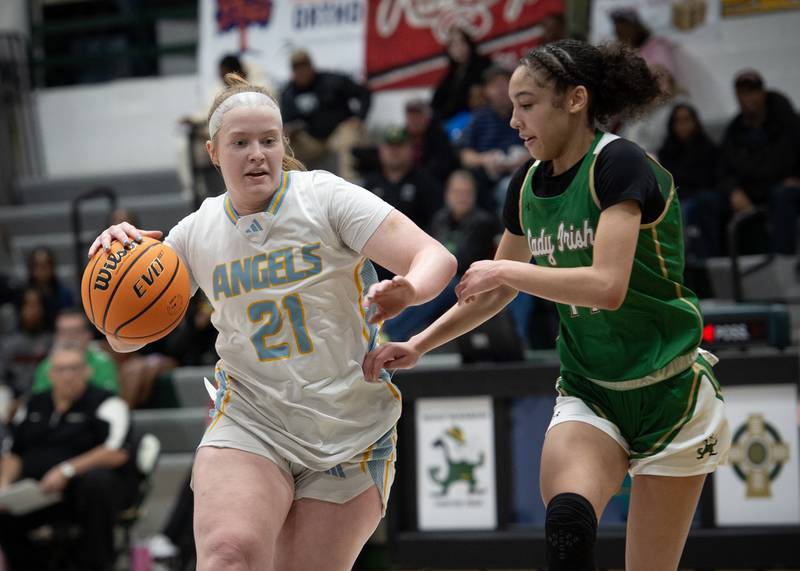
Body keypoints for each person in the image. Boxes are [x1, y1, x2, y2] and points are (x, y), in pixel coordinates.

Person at [365, 39, 731, 571]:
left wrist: (507, 269)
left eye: (527, 103)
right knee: (567, 524)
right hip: (591, 389)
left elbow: (608, 286)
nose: (513, 120)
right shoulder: (528, 183)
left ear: (575, 99)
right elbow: (492, 292)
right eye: (511, 106)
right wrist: (419, 343)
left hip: (667, 388)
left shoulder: (619, 163)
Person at [87, 73, 456, 570]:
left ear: (284, 144)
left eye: (268, 140)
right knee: (228, 556)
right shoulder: (196, 232)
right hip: (252, 418)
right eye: (240, 142)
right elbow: (122, 338)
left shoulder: (325, 198)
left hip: (349, 427)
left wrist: (409, 288)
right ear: (214, 152)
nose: (257, 153)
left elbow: (435, 257)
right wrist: (116, 258)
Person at [0, 342, 134, 571]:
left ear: (87, 371)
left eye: (75, 368)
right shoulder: (33, 404)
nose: (68, 376)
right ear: (50, 374)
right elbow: (13, 453)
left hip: (82, 492)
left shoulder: (107, 403)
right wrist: (4, 486)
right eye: (61, 370)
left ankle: (96, 564)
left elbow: (116, 451)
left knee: (97, 483)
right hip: (35, 493)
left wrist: (66, 470)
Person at [719, 69, 800, 254]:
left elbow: (781, 164)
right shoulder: (734, 130)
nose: (748, 98)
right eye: (743, 92)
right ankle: (719, 272)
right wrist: (733, 191)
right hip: (753, 190)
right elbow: (722, 169)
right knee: (714, 202)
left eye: (753, 91)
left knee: (782, 195)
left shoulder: (787, 121)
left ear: (763, 93)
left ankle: (782, 260)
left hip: (785, 186)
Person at [280, 49, 371, 182]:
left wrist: (360, 118)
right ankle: (291, 188)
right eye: (297, 69)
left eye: (304, 67)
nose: (302, 72)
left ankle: (351, 188)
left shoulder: (332, 81)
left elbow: (364, 93)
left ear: (311, 67)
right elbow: (287, 122)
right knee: (283, 148)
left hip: (338, 132)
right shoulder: (288, 93)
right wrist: (291, 133)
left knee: (348, 140)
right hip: (312, 140)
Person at [658, 103, 723, 261]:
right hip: (679, 197)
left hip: (701, 198)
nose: (683, 125)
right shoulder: (666, 152)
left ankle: (688, 258)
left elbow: (713, 180)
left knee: (686, 209)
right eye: (678, 121)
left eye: (687, 120)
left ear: (695, 122)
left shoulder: (708, 148)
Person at [32, 309, 119, 395]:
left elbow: (110, 398)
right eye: (64, 332)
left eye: (76, 331)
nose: (70, 337)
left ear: (88, 335)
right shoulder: (46, 366)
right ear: (56, 337)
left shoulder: (103, 363)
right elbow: (39, 400)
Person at [431, 27, 491, 129]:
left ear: (469, 44)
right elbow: (435, 104)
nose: (458, 48)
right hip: (450, 126)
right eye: (453, 45)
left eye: (461, 42)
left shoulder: (484, 67)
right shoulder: (450, 76)